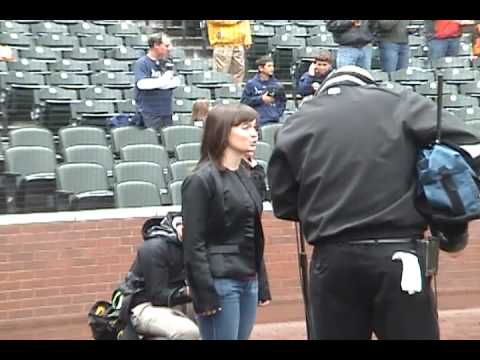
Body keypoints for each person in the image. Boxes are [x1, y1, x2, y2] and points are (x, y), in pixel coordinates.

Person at [267, 65, 480, 340]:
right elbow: (471, 150)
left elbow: (283, 202)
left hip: (332, 259)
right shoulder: (400, 101)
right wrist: (441, 211)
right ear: (369, 83)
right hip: (400, 255)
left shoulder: (298, 120)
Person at [181, 103, 272, 340]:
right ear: (222, 131)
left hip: (247, 278)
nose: (254, 134)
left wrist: (260, 281)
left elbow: (252, 234)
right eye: (245, 127)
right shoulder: (201, 180)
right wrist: (204, 294)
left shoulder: (245, 174)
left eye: (255, 127)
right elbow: (194, 243)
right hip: (219, 281)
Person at [125, 212, 200, 340]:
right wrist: (188, 291)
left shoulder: (194, 247)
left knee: (221, 319)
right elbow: (157, 296)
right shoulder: (154, 247)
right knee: (188, 332)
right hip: (143, 306)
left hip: (178, 302)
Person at [133, 32, 181, 130]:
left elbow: (176, 82)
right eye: (166, 45)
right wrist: (164, 80)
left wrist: (158, 83)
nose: (170, 48)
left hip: (166, 112)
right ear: (156, 45)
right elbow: (142, 84)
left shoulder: (168, 63)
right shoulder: (142, 63)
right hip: (149, 114)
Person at [240, 56, 286, 126]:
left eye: (272, 66)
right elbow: (244, 102)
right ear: (261, 68)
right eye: (269, 66)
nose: (272, 68)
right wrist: (261, 99)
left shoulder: (277, 85)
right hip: (257, 122)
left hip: (274, 120)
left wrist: (277, 113)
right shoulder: (251, 84)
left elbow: (282, 101)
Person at [207, 20, 252, 84]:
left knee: (239, 72)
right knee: (221, 73)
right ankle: (221, 92)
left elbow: (245, 22)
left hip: (238, 44)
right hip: (222, 44)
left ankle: (236, 91)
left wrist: (247, 39)